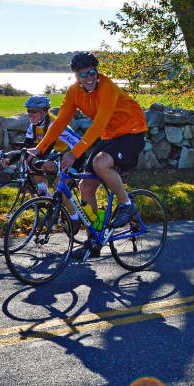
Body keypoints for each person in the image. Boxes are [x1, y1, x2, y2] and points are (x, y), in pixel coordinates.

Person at [26, 51, 147, 260]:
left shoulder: (107, 88)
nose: (89, 78)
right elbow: (60, 121)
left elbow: (98, 124)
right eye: (83, 75)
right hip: (110, 136)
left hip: (132, 132)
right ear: (75, 77)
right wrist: (39, 148)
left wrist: (74, 153)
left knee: (101, 164)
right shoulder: (74, 92)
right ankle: (93, 242)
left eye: (92, 72)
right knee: (85, 186)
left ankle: (126, 204)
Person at [1, 94, 85, 228]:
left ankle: (74, 218)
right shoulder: (34, 125)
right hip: (58, 154)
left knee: (59, 186)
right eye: (28, 111)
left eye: (33, 111)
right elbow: (28, 148)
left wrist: (20, 158)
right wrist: (10, 159)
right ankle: (46, 198)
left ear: (45, 111)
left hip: (76, 156)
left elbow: (42, 152)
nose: (29, 114)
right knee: (33, 166)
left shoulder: (52, 124)